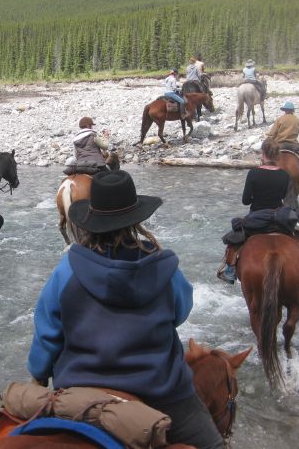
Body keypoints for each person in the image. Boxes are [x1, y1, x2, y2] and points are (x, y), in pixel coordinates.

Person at [27, 170, 224, 449]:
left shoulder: (68, 268)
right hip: (161, 389)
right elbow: (182, 310)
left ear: (91, 219)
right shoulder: (162, 266)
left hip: (79, 389)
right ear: (136, 219)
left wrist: (38, 373)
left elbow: (48, 332)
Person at [217, 138, 299, 284]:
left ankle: (229, 272)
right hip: (279, 217)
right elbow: (286, 198)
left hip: (256, 217)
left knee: (235, 239)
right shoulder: (284, 175)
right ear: (277, 154)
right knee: (298, 235)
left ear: (263, 153)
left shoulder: (253, 173)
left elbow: (245, 200)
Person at [267, 101, 299, 181]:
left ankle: (264, 173)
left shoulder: (280, 119)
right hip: (293, 144)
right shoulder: (297, 120)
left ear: (285, 110)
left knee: (268, 156)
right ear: (292, 110)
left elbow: (272, 134)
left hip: (280, 144)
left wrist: (269, 139)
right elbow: (297, 131)